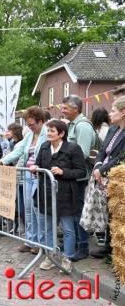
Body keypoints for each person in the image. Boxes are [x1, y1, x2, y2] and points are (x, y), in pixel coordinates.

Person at [30, 120, 86, 272]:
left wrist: (64, 172)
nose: (48, 133)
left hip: (66, 194)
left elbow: (82, 171)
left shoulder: (73, 148)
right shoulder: (44, 146)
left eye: (52, 131)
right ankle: (51, 256)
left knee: (68, 229)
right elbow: (38, 164)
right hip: (45, 193)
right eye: (48, 130)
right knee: (47, 228)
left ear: (61, 134)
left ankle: (67, 258)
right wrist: (35, 168)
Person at [0, 107, 47, 255]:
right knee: (27, 209)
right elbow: (18, 151)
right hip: (28, 174)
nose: (30, 127)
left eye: (32, 124)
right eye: (28, 124)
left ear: (41, 121)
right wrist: (2, 161)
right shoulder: (30, 136)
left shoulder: (47, 134)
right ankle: (30, 240)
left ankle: (40, 242)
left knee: (37, 210)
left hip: (40, 175)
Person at [88, 96, 125, 258]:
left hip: (117, 177)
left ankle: (116, 249)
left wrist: (102, 169)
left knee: (117, 213)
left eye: (113, 110)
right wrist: (97, 166)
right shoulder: (112, 129)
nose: (110, 114)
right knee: (108, 210)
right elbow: (102, 151)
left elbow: (121, 157)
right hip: (102, 174)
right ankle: (109, 247)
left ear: (123, 112)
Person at [61, 95, 96, 261]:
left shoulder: (82, 126)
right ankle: (75, 242)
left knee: (80, 212)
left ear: (76, 109)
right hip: (73, 176)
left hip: (80, 178)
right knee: (74, 211)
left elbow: (81, 154)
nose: (62, 110)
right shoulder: (74, 125)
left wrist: (62, 161)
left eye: (65, 108)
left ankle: (83, 246)